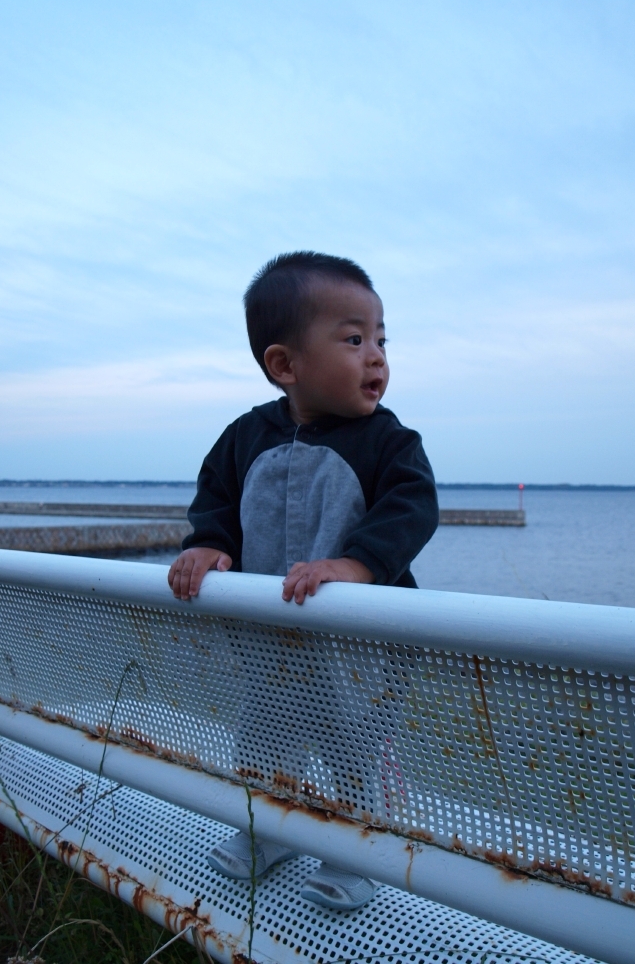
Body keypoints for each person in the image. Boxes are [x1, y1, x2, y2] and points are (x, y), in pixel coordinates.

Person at [168, 251, 438, 910]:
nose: (375, 356)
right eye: (353, 339)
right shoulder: (244, 437)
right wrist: (208, 544)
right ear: (285, 364)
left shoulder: (389, 443)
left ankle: (352, 852)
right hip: (272, 645)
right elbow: (216, 501)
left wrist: (354, 565)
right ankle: (269, 829)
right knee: (260, 738)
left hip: (358, 653)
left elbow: (412, 508)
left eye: (380, 339)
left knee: (353, 753)